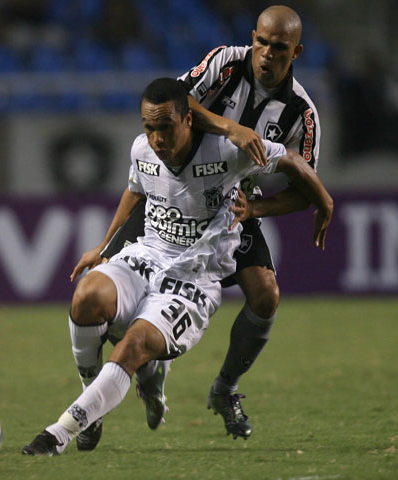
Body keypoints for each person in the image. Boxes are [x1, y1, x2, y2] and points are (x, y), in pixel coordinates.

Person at [22, 77, 333, 456]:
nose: (156, 139)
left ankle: (61, 431)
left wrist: (324, 201)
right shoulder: (142, 149)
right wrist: (103, 246)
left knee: (134, 344)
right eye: (149, 128)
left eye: (165, 127)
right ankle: (94, 407)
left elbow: (292, 161)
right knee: (86, 296)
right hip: (148, 253)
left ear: (189, 120)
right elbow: (136, 190)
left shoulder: (228, 151)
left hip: (194, 277)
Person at [88, 5, 322, 445]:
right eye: (263, 43)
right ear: (253, 38)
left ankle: (225, 388)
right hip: (171, 195)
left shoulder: (302, 115)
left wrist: (255, 211)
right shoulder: (224, 62)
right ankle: (107, 391)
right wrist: (229, 128)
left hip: (227, 207)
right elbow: (174, 97)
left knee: (266, 294)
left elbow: (305, 189)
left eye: (280, 48)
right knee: (111, 290)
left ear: (297, 52)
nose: (268, 54)